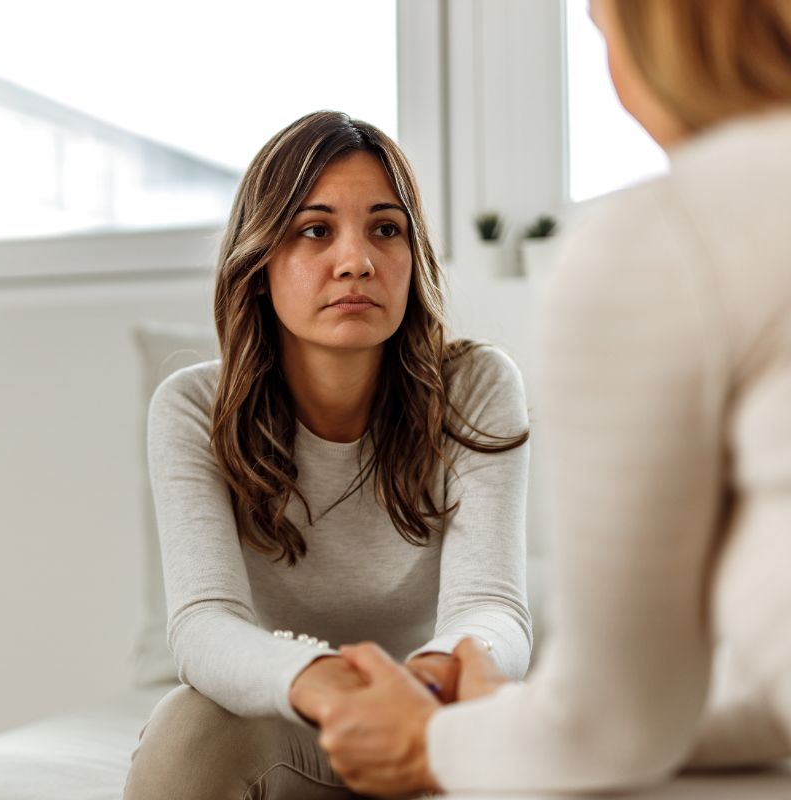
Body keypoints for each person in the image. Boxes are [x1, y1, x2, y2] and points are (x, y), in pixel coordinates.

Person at [298, 1, 791, 795]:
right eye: (314, 231)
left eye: (600, 26)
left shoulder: (669, 239)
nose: (353, 261)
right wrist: (507, 722)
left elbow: (613, 724)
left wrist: (437, 741)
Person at [122, 110, 533, 799]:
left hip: (433, 719)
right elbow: (203, 625)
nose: (356, 260)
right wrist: (327, 685)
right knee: (189, 729)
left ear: (412, 257)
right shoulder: (192, 407)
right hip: (293, 718)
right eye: (315, 230)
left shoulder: (477, 387)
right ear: (258, 264)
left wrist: (428, 682)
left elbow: (490, 607)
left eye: (385, 228)